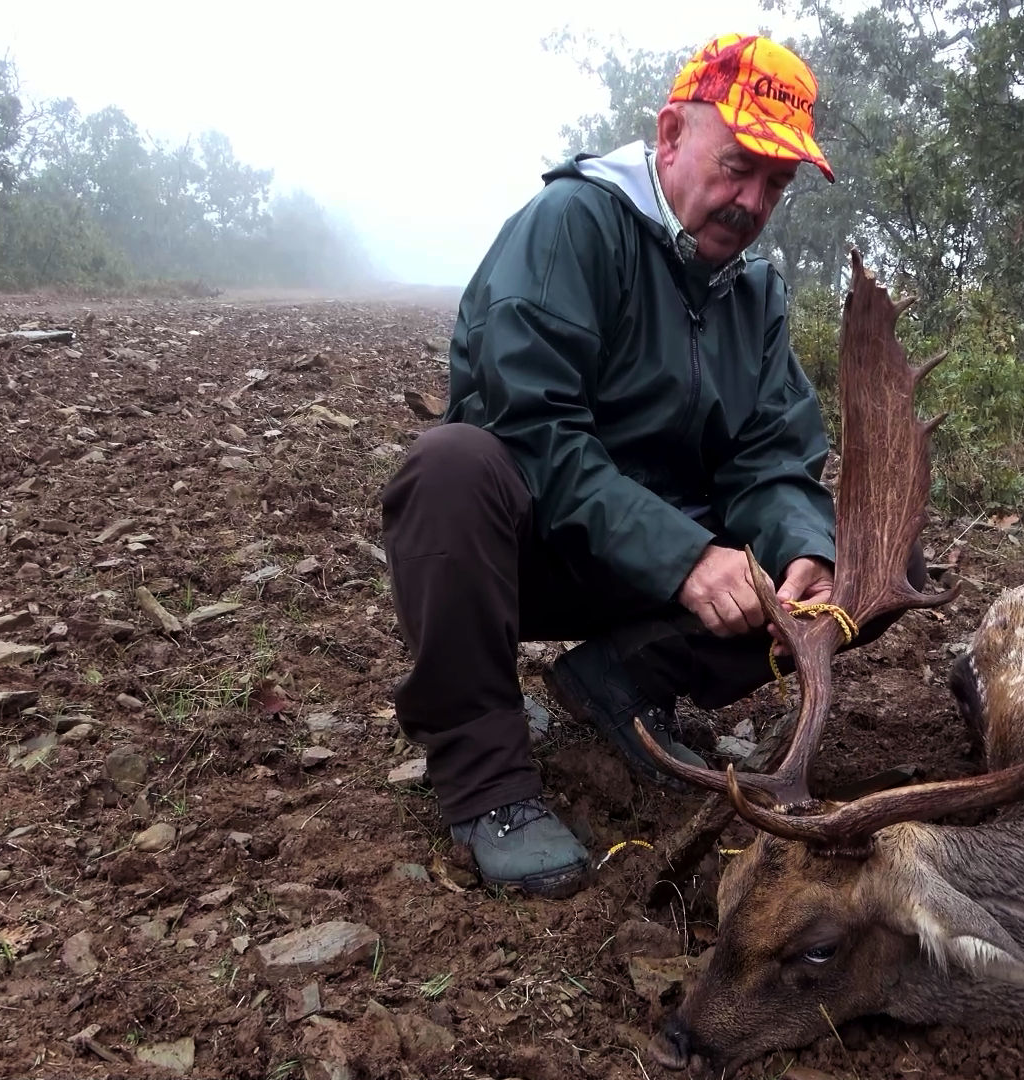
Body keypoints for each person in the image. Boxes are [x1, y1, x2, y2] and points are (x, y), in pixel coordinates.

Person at [379, 32, 924, 898]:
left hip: (659, 573)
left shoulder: (754, 295)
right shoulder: (570, 227)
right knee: (449, 469)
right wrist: (681, 558)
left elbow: (772, 457)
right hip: (536, 555)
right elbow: (529, 428)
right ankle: (487, 784)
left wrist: (802, 549)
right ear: (672, 137)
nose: (751, 200)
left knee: (878, 557)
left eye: (776, 184)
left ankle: (622, 683)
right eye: (738, 167)